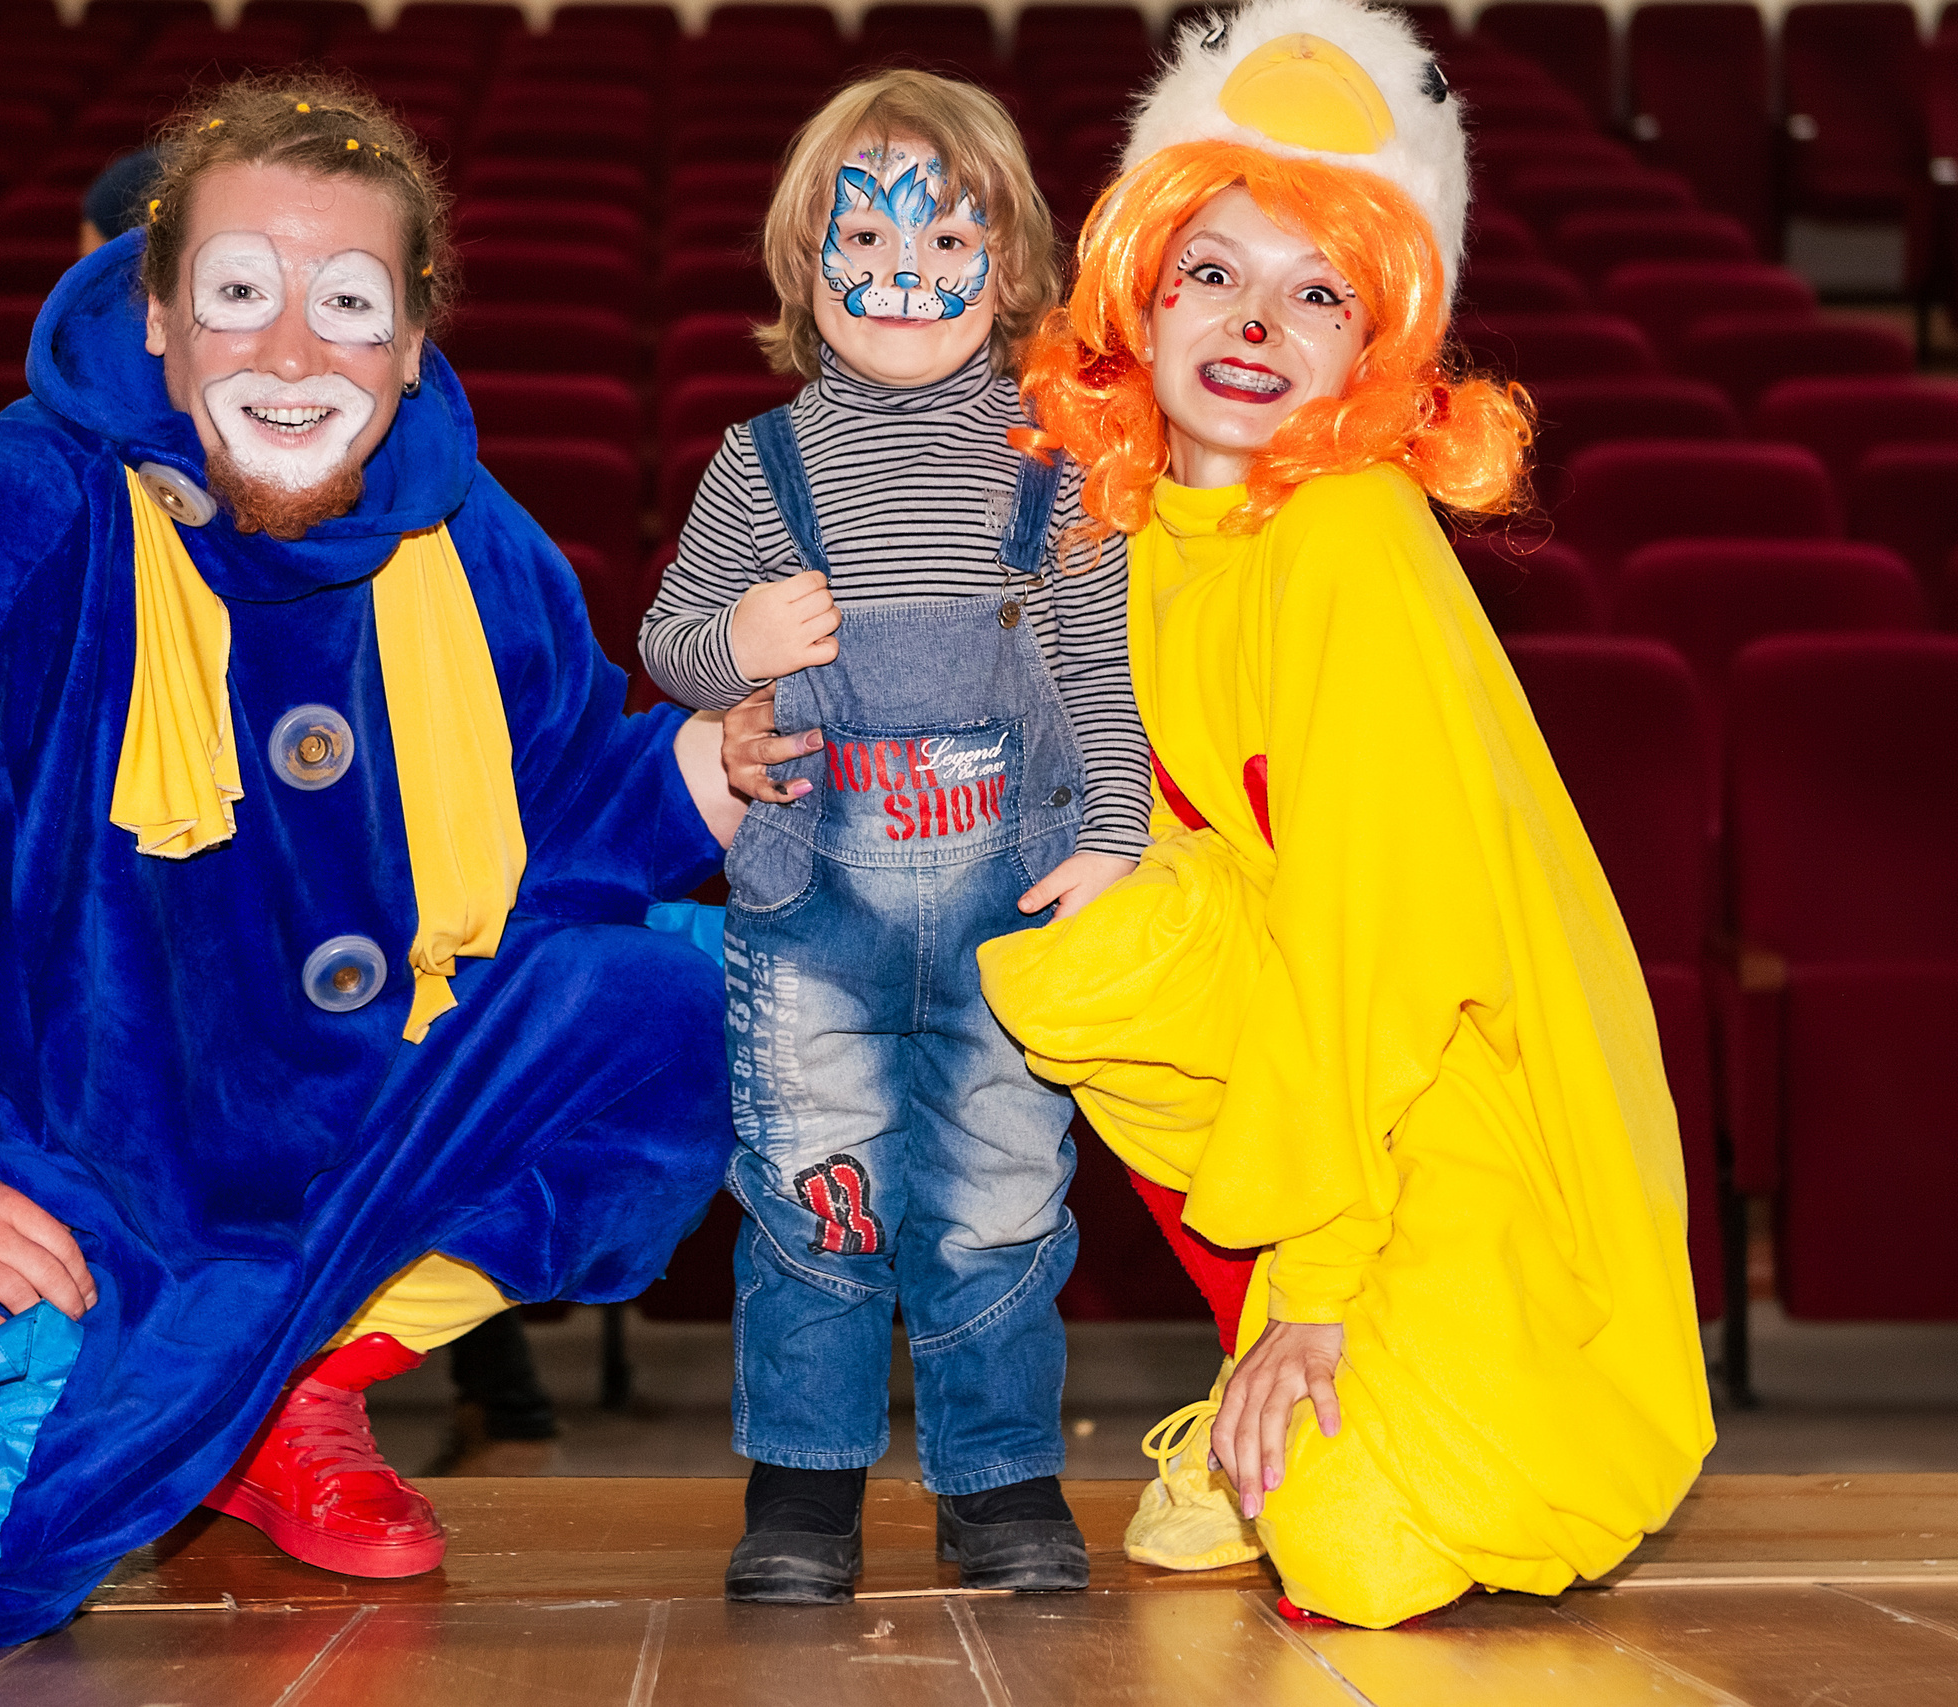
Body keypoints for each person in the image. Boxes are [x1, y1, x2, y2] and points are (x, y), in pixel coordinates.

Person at [0, 78, 749, 1650]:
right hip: (67, 1170)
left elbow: (550, 825)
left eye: (349, 306)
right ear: (156, 316)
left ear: (414, 341)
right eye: (240, 294)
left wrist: (714, 766)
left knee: (691, 1013)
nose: (295, 355)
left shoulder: (474, 545)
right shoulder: (18, 507)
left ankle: (292, 1382)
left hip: (338, 1162)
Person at [977, 0, 1715, 1630]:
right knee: (1078, 927)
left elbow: (1379, 947)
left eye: (1320, 294)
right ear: (1141, 292)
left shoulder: (1346, 537)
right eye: (1215, 272)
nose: (1257, 323)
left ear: (1373, 349)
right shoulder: (1121, 534)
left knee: (1359, 1554)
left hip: (1451, 1098)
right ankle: (1265, 1371)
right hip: (1310, 1071)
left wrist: (1316, 1292)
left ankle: (1305, 1361)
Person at [640, 70, 1153, 1604]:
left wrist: (1115, 836)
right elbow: (670, 640)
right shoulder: (759, 464)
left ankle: (1002, 1485)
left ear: (1013, 266)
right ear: (805, 265)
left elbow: (1101, 672)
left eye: (948, 240)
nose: (905, 272)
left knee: (1002, 1201)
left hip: (1008, 909)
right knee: (816, 1201)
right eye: (864, 239)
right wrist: (736, 645)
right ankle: (802, 1493)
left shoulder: (1057, 463)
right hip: (815, 916)